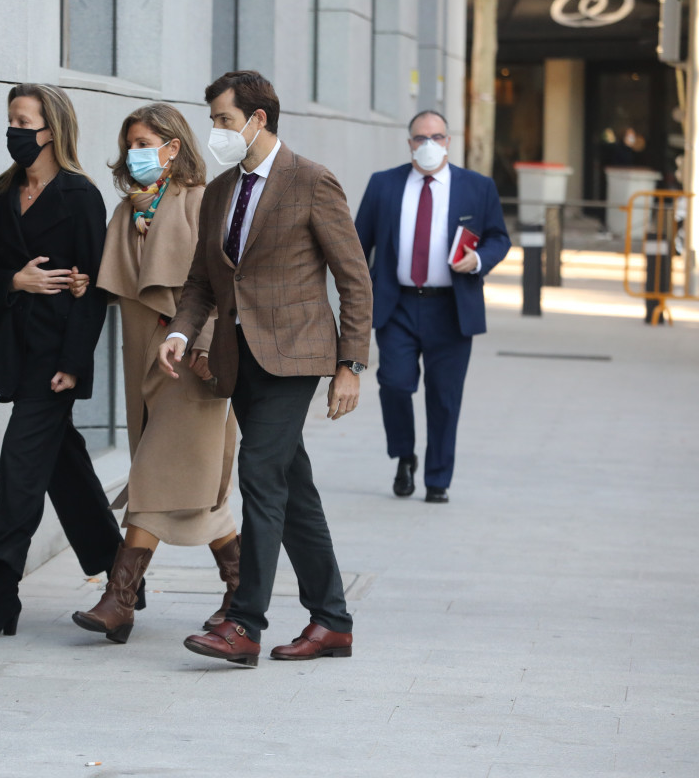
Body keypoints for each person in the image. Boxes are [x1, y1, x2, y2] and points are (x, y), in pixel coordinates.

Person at [156, 71, 373, 667]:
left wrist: (350, 364)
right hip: (237, 357)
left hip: (296, 355)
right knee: (291, 487)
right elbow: (204, 280)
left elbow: (353, 278)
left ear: (258, 118)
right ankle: (332, 622)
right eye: (215, 121)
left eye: (224, 120)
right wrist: (180, 331)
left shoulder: (312, 181)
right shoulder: (222, 190)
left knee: (258, 473)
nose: (216, 132)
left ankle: (244, 623)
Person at [67, 103, 241, 645]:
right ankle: (240, 587)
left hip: (193, 362)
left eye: (146, 143)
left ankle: (118, 600)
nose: (136, 154)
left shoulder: (200, 202)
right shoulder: (128, 211)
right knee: (189, 494)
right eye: (131, 145)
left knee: (154, 477)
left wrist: (209, 346)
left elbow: (219, 285)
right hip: (146, 364)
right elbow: (113, 282)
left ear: (173, 145)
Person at [0, 83, 124, 637]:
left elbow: (95, 286)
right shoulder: (3, 192)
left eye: (23, 121)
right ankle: (125, 576)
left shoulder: (81, 196)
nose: (14, 132)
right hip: (18, 349)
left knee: (19, 466)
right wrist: (15, 279)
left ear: (50, 130)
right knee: (62, 466)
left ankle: (3, 591)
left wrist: (76, 362)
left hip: (57, 354)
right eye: (10, 120)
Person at [354, 110, 511, 503]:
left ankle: (438, 479)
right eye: (420, 138)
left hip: (452, 308)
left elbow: (498, 237)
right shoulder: (383, 185)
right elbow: (358, 244)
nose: (428, 145)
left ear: (448, 141)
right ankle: (404, 456)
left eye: (436, 137)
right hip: (398, 306)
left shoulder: (477, 187)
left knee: (444, 397)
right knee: (393, 384)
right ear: (409, 143)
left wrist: (477, 261)